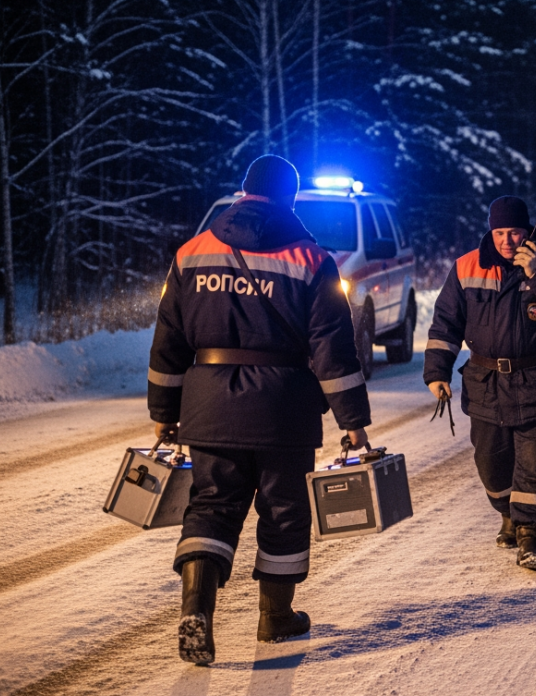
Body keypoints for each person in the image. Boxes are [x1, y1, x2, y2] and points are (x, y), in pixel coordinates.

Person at [147, 155, 372, 664]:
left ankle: (197, 610)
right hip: (283, 410)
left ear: (242, 191)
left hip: (208, 406)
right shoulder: (312, 260)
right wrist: (352, 420)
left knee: (211, 505)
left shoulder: (192, 253)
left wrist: (164, 408)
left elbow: (169, 340)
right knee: (283, 511)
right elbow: (332, 351)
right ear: (290, 198)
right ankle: (275, 617)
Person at [422, 195, 536, 572]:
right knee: (491, 465)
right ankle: (508, 514)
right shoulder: (467, 267)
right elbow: (446, 322)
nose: (506, 241)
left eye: (514, 232)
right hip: (485, 384)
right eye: (499, 232)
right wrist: (437, 371)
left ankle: (530, 537)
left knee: (535, 465)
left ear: (527, 230)